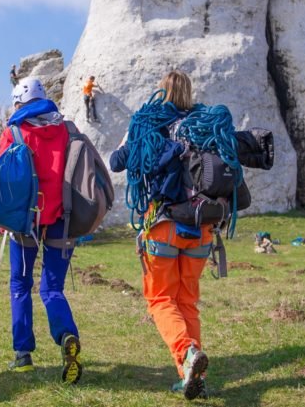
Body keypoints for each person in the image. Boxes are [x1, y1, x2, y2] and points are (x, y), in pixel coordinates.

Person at [109, 70, 212, 400]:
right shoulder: (205, 122)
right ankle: (192, 376)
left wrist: (137, 131)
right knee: (187, 302)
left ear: (162, 92)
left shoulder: (149, 121)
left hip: (163, 223)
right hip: (201, 224)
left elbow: (116, 161)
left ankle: (187, 355)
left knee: (161, 300)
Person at [0, 77, 83, 384]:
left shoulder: (13, 131)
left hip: (24, 222)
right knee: (52, 288)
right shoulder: (67, 130)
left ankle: (23, 355)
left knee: (20, 284)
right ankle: (66, 334)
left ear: (18, 103)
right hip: (63, 219)